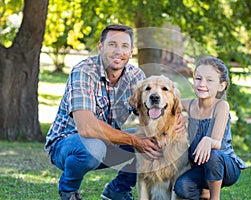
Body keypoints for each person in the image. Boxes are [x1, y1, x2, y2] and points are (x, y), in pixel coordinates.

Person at [44, 24, 164, 200]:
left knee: (155, 140)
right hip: (67, 145)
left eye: (124, 46)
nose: (118, 51)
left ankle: (118, 189)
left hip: (107, 142)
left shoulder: (135, 76)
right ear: (101, 47)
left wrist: (174, 116)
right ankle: (68, 191)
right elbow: (86, 128)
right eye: (112, 44)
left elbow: (151, 114)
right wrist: (134, 141)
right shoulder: (84, 71)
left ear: (131, 52)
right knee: (93, 147)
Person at [174, 56, 247, 200]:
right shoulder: (190, 104)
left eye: (209, 80)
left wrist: (209, 140)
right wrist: (178, 116)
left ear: (221, 85)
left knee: (213, 155)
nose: (202, 84)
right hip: (200, 166)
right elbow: (169, 104)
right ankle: (205, 192)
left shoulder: (221, 106)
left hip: (225, 165)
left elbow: (217, 143)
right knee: (181, 188)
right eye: (198, 78)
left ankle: (215, 197)